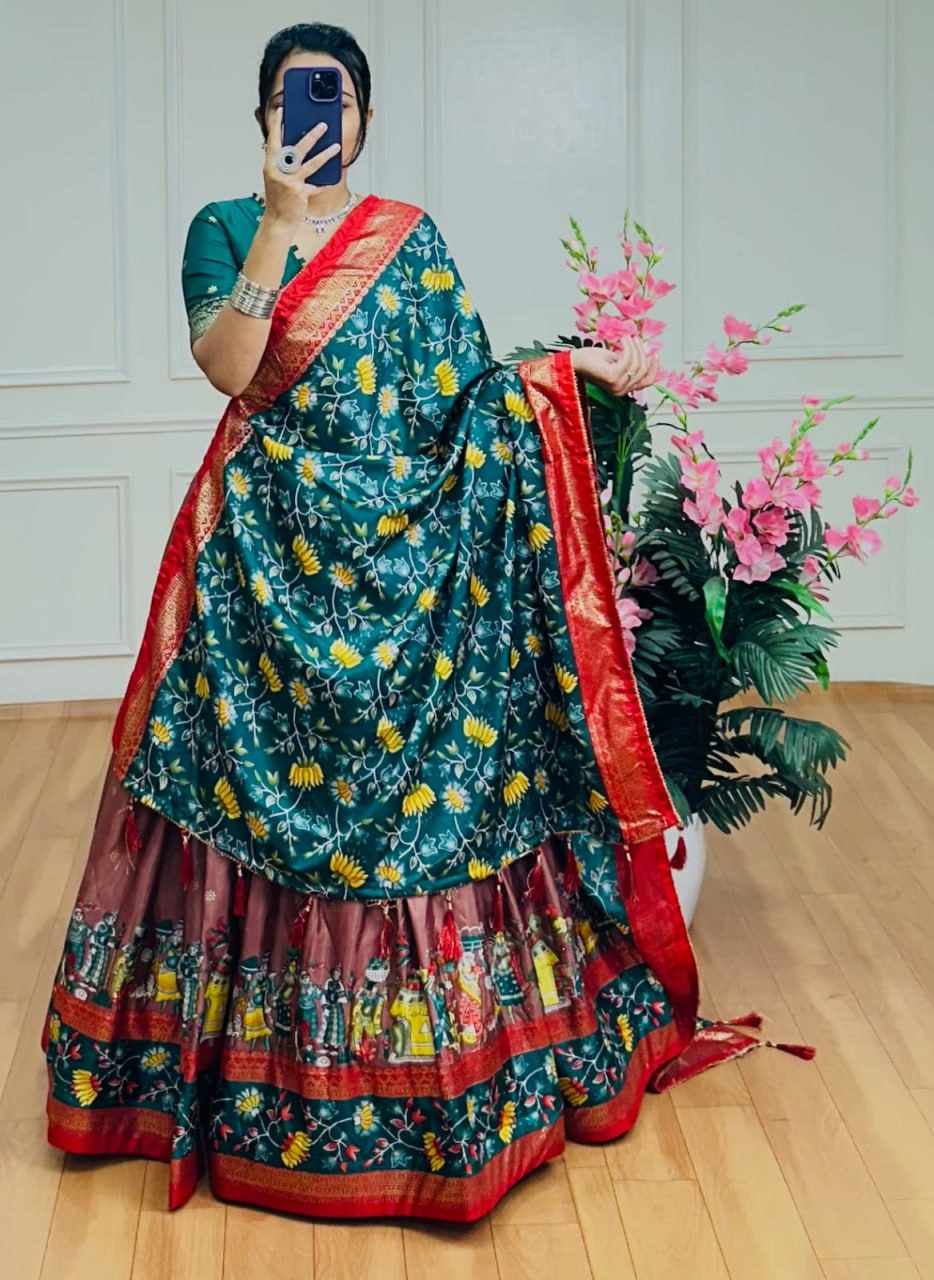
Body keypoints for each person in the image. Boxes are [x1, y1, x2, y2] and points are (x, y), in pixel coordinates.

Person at [40, 21, 814, 1223]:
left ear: (363, 117)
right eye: (298, 97)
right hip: (262, 566)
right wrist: (279, 226)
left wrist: (563, 376)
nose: (319, 116)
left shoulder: (408, 240)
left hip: (411, 565)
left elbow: (462, 402)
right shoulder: (223, 228)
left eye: (339, 98)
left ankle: (432, 1071)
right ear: (264, 115)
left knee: (422, 798)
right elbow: (229, 370)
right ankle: (232, 1071)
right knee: (232, 789)